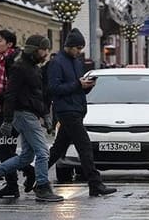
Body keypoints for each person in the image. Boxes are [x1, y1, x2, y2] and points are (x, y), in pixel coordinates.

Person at [0, 35, 63, 202]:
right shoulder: (20, 67)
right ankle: (42, 186)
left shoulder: (33, 67)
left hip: (30, 113)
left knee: (27, 156)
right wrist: (7, 120)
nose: (46, 53)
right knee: (42, 152)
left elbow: (38, 94)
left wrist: (45, 113)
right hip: (23, 114)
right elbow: (10, 94)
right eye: (44, 49)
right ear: (34, 49)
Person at [46, 28, 116, 197]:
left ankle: (33, 174)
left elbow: (78, 87)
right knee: (85, 146)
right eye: (77, 48)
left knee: (58, 149)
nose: (79, 51)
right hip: (66, 111)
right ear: (68, 46)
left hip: (77, 109)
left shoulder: (77, 62)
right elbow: (54, 88)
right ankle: (95, 183)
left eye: (81, 48)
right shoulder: (57, 62)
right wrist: (78, 84)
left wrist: (87, 86)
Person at [0, 29, 35, 198]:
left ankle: (25, 174)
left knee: (5, 150)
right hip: (2, 110)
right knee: (2, 150)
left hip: (12, 112)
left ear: (9, 44)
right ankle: (14, 183)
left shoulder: (13, 61)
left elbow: (13, 89)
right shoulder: (0, 60)